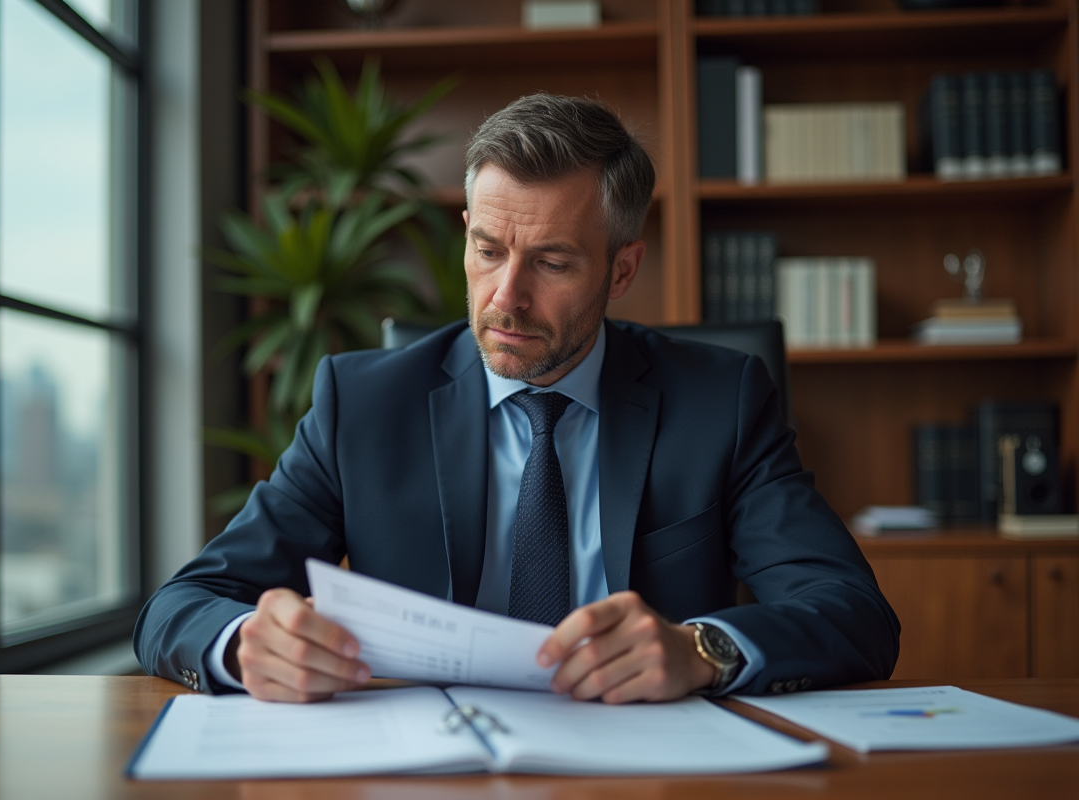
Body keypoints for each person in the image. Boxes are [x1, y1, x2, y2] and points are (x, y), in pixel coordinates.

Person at [135, 93, 899, 703]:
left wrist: (702, 649)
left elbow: (853, 613)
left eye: (554, 263)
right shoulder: (361, 404)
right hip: (422, 763)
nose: (508, 298)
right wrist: (243, 645)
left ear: (622, 270)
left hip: (651, 761)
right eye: (488, 251)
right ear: (465, 233)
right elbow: (183, 603)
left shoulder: (719, 401)